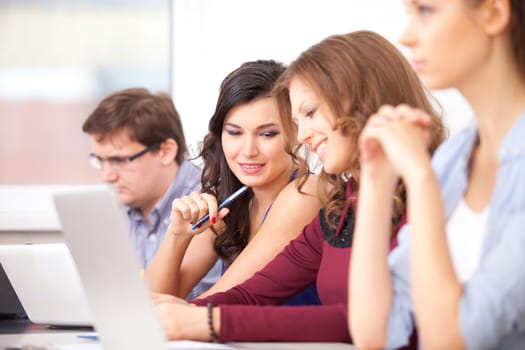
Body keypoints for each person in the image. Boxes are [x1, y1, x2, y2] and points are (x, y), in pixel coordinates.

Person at [151, 31, 446, 343]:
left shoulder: (430, 192)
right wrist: (178, 313)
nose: (303, 135)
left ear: (360, 100)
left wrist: (207, 320)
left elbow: (369, 321)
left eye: (309, 113)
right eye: (297, 120)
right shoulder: (342, 206)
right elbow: (251, 295)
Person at [349, 0, 525, 349]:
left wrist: (419, 176)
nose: (407, 35)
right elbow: (374, 333)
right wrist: (376, 178)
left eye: (426, 10)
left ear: (493, 13)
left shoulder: (431, 170)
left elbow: (451, 342)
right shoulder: (453, 158)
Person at [146, 60, 322, 304]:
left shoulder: (305, 194)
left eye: (268, 134)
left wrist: (169, 313)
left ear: (296, 132)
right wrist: (176, 235)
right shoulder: (233, 201)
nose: (248, 150)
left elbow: (217, 302)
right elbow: (150, 302)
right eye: (234, 132)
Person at [82, 87, 221, 299]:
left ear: (165, 152)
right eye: (100, 161)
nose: (107, 176)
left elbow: (185, 301)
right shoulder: (117, 209)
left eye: (118, 160)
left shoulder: (209, 204)